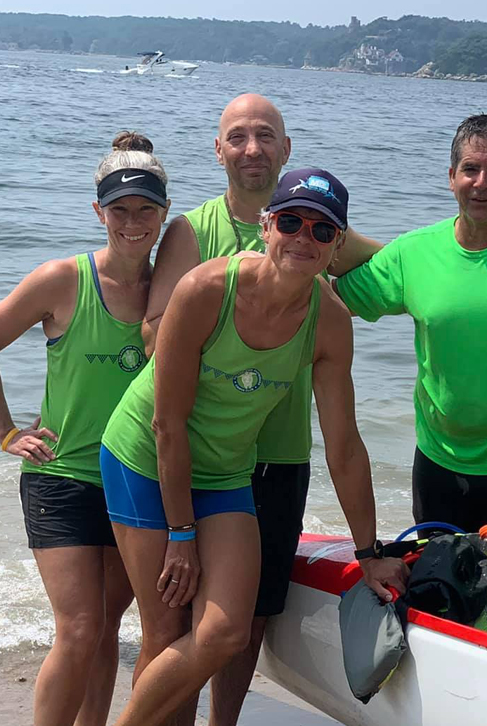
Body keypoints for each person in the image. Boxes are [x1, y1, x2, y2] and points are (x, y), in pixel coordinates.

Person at [100, 168, 408, 726]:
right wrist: (181, 533)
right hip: (144, 459)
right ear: (265, 226)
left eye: (321, 231)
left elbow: (343, 445)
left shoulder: (330, 323)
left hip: (223, 470)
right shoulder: (206, 289)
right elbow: (167, 425)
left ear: (338, 244)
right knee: (167, 626)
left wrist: (368, 553)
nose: (302, 238)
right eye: (290, 221)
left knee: (222, 633)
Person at [334, 113, 487, 535]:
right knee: (437, 597)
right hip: (438, 467)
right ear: (451, 177)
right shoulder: (413, 253)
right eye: (470, 169)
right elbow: (332, 302)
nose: (481, 182)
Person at [0, 132, 169, 726]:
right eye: (119, 210)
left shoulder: (169, 294)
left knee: (105, 630)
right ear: (98, 211)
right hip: (61, 477)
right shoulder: (61, 279)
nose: (133, 222)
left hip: (132, 480)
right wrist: (6, 433)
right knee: (78, 628)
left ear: (163, 212)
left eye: (146, 210)